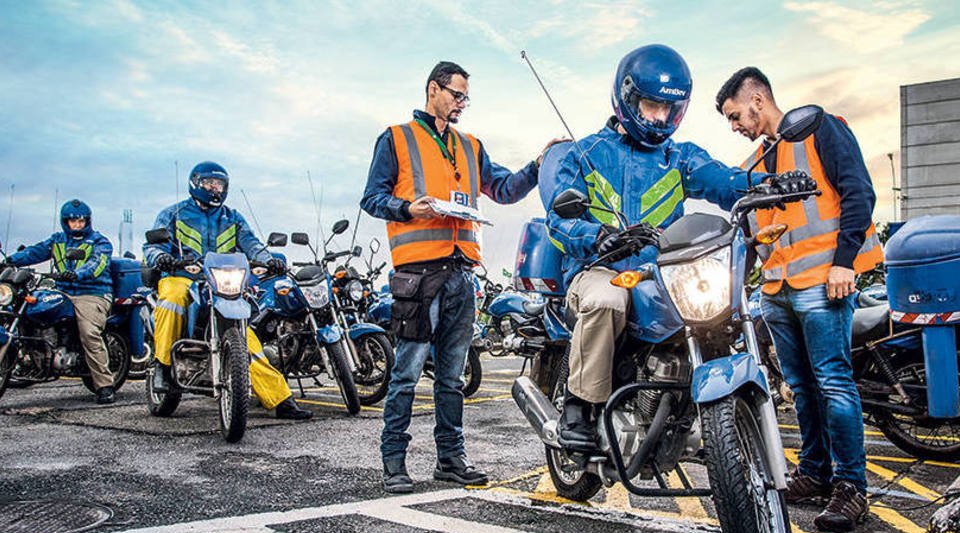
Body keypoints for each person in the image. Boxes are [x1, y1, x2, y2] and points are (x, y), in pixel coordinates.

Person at [546, 45, 808, 458]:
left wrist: (766, 184)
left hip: (659, 272)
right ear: (628, 98)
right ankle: (580, 408)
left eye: (671, 110)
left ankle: (698, 416)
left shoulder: (678, 157)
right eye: (652, 106)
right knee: (607, 300)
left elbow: (721, 179)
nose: (660, 119)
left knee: (717, 308)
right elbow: (558, 220)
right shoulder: (586, 155)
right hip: (599, 267)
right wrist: (598, 236)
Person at [361, 61, 559, 493]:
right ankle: (394, 463)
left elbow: (504, 189)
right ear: (433, 89)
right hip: (417, 274)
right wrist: (407, 208)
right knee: (406, 374)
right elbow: (372, 198)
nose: (461, 103)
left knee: (452, 378)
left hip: (460, 274)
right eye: (456, 94)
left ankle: (451, 461)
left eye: (466, 97)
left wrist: (538, 164)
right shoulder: (396, 138)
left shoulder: (470, 146)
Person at [716, 66, 883, 533]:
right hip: (777, 290)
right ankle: (815, 472)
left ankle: (851, 487)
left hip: (822, 282)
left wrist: (844, 262)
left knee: (833, 383)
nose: (734, 126)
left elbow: (858, 193)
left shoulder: (820, 129)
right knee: (801, 387)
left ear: (757, 100)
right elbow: (753, 235)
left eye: (735, 115)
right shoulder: (756, 162)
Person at [143, 161, 312, 421]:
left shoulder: (232, 217)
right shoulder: (174, 213)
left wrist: (269, 260)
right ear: (195, 184)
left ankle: (280, 399)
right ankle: (163, 365)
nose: (214, 188)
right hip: (182, 277)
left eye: (219, 184)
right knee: (172, 299)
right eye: (209, 183)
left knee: (247, 338)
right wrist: (160, 258)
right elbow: (152, 246)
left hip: (220, 281)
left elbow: (252, 244)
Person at [6, 200, 116, 404]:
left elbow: (98, 264)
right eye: (72, 221)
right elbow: (35, 252)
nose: (77, 224)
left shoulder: (100, 242)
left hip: (92, 293)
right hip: (63, 291)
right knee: (30, 311)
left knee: (89, 332)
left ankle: (104, 385)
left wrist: (77, 274)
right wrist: (10, 260)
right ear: (65, 222)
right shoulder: (57, 240)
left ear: (87, 220)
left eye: (81, 220)